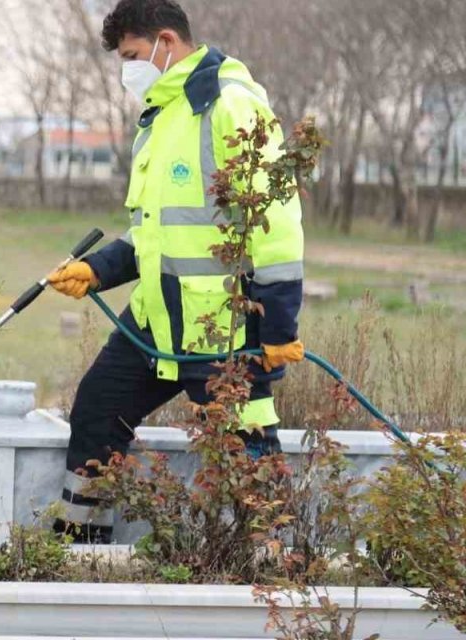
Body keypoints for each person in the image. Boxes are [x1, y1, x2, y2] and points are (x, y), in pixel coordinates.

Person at [44, 0, 305, 543]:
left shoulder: (231, 105)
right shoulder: (159, 119)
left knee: (247, 454)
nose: (128, 71)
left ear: (167, 41)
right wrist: (96, 270)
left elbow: (277, 227)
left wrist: (279, 329)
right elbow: (155, 235)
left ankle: (280, 575)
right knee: (96, 413)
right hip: (156, 321)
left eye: (134, 55)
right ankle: (80, 553)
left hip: (223, 330)